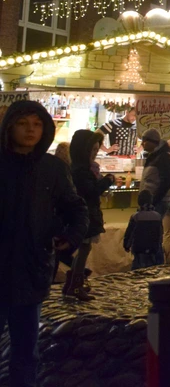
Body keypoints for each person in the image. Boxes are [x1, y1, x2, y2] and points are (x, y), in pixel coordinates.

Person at [0, 100, 89, 387]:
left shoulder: (52, 168)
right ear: (10, 127)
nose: (30, 130)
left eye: (37, 125)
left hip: (31, 270)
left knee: (26, 351)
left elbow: (76, 209)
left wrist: (70, 237)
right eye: (24, 124)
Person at [66, 129, 115, 301]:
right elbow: (91, 191)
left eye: (96, 150)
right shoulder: (81, 171)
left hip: (85, 215)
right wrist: (108, 180)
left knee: (82, 251)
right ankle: (75, 286)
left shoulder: (81, 168)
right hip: (85, 216)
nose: (95, 154)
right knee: (83, 251)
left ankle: (72, 284)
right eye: (92, 151)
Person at [124, 190, 165, 269]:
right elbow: (160, 233)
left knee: (137, 270)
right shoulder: (158, 216)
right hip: (154, 248)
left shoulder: (135, 217)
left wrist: (126, 245)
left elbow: (129, 233)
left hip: (139, 249)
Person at [139, 128, 170, 216]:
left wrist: (154, 201)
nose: (142, 144)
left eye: (144, 141)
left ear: (153, 142)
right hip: (152, 201)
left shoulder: (164, 157)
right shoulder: (154, 156)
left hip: (159, 201)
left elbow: (166, 181)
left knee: (151, 226)